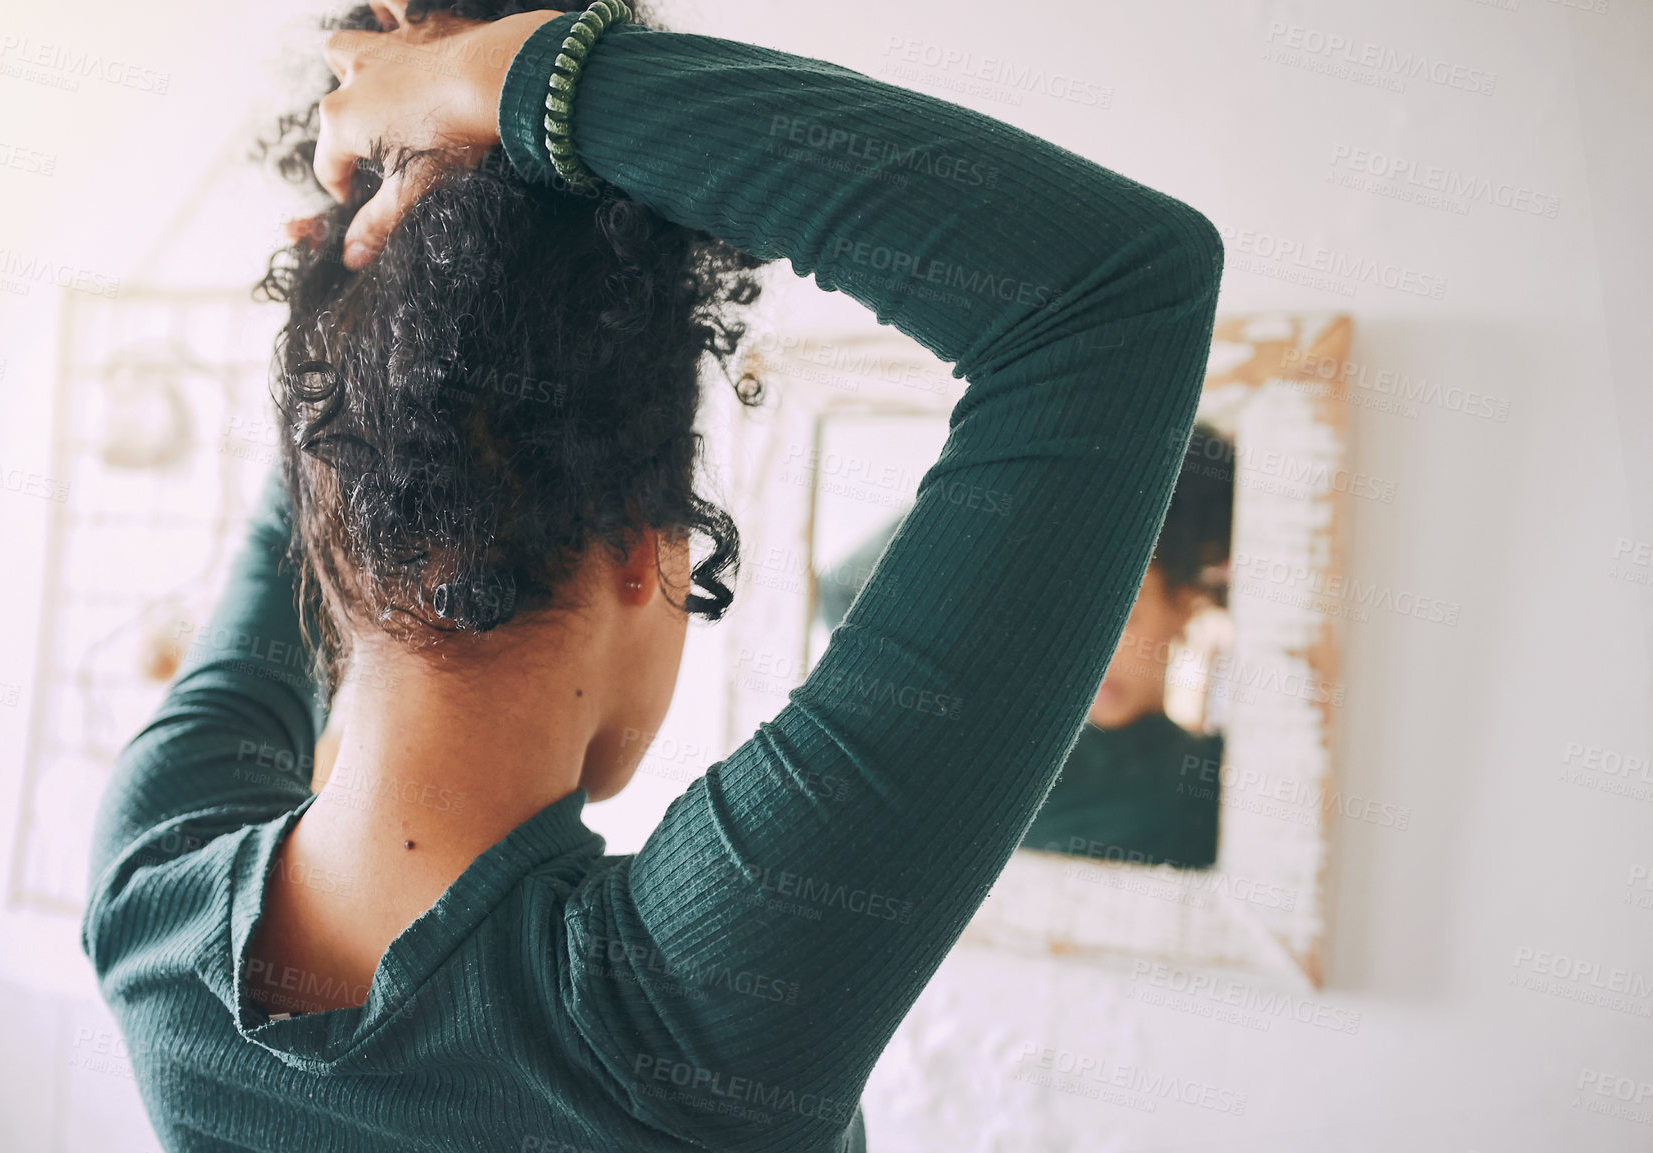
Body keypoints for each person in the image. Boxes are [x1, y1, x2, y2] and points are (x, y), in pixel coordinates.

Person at [81, 3, 1223, 1150]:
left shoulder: (152, 893)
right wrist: (509, 86)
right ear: (645, 549)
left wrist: (377, 266)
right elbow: (1109, 292)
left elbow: (1114, 294)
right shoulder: (680, 1019)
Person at [820, 427, 1235, 868]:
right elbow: (849, 594)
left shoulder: (1208, 783)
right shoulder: (989, 742)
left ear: (1185, 605)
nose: (1086, 656)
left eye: (1120, 618)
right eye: (1061, 616)